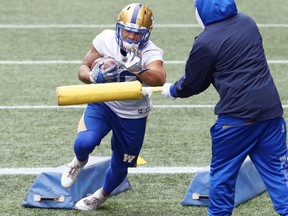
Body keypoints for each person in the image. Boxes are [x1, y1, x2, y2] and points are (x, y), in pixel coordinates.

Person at [162, 0, 288, 215]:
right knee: (280, 175)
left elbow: (194, 83)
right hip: (271, 113)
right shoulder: (248, 22)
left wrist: (173, 90)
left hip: (237, 121)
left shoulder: (205, 42)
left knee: (222, 177)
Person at [61, 3, 166, 211]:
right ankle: (78, 162)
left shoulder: (151, 52)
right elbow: (82, 68)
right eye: (127, 30)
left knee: (121, 165)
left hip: (133, 114)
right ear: (119, 27)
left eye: (138, 33)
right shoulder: (105, 39)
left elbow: (160, 78)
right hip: (104, 103)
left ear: (147, 34)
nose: (131, 36)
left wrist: (139, 68)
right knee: (84, 142)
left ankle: (100, 196)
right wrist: (92, 76)